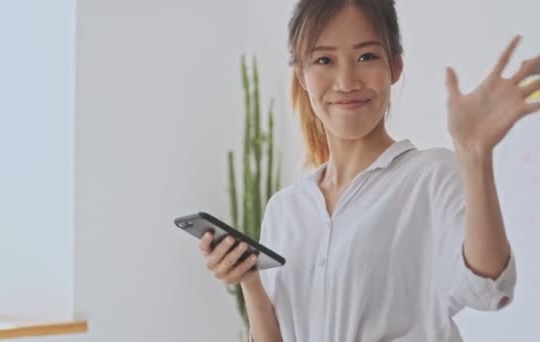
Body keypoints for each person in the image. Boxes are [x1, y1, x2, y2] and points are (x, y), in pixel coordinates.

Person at [199, 0, 540, 341]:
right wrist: (249, 280)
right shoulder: (284, 210)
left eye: (366, 57)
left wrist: (474, 153)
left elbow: (489, 287)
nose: (346, 81)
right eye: (324, 60)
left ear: (395, 66)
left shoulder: (430, 176)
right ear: (302, 75)